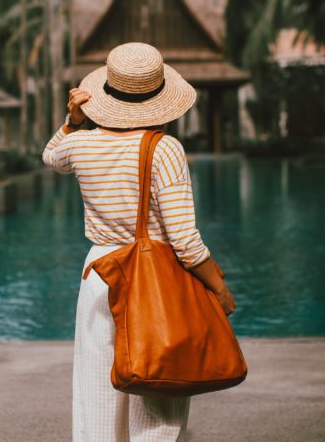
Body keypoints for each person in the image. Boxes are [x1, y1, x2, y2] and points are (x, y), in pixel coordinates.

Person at [42, 42, 236, 442]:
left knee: (97, 387)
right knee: (157, 388)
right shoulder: (164, 149)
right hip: (153, 273)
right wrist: (218, 286)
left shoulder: (79, 144)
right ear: (160, 97)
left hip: (99, 273)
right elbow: (184, 239)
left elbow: (51, 157)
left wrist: (72, 120)